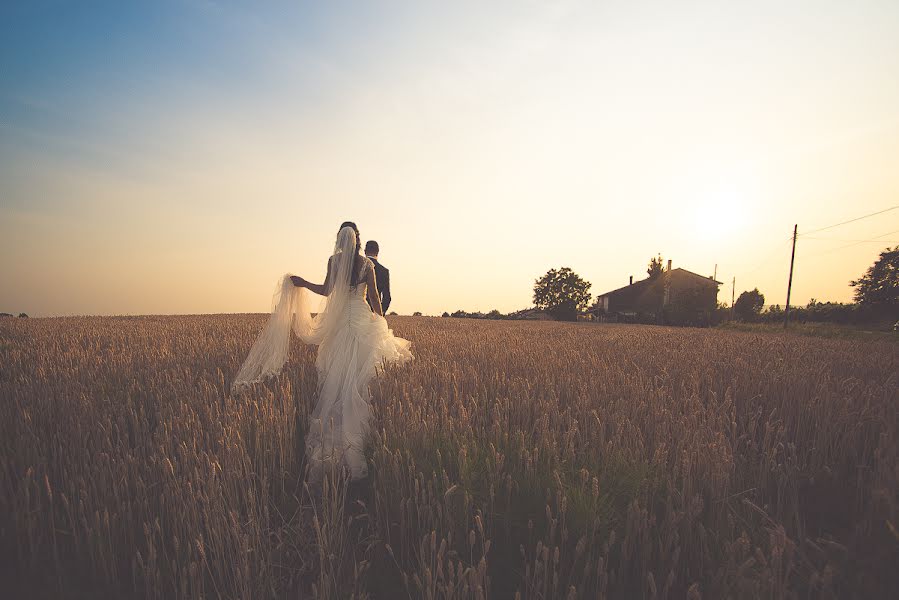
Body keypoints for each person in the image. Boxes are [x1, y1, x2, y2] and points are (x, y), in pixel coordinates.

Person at [231, 222, 412, 480]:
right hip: (360, 318)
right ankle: (365, 427)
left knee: (338, 376)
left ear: (340, 240)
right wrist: (381, 320)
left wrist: (302, 283)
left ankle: (337, 422)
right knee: (362, 375)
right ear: (358, 241)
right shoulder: (366, 265)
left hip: (340, 323)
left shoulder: (334, 261)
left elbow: (326, 291)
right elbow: (373, 296)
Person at [364, 240, 391, 313]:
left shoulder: (358, 267)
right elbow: (387, 297)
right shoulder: (384, 271)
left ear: (365, 251)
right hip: (375, 312)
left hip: (358, 312)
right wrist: (380, 314)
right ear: (378, 252)